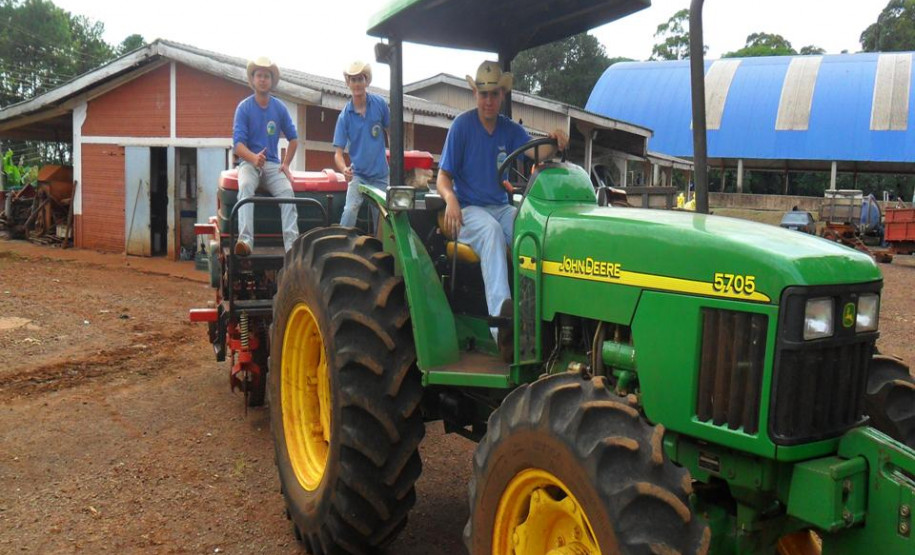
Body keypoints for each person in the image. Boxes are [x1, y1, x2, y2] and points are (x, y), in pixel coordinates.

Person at [436, 60, 568, 358]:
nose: (488, 100)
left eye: (494, 94)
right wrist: (451, 200)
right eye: (483, 94)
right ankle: (504, 331)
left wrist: (556, 141)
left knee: (531, 233)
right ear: (475, 95)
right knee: (493, 233)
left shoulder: (508, 129)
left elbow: (536, 151)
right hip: (468, 210)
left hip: (499, 206)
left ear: (502, 96)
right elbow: (443, 178)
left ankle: (541, 322)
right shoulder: (462, 127)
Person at [232, 56, 299, 255]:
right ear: (252, 80)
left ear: (271, 81)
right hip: (248, 164)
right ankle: (245, 241)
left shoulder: (279, 108)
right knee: (244, 186)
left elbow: (294, 139)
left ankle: (292, 246)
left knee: (288, 192)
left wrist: (286, 164)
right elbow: (237, 145)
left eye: (266, 76)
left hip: (272, 165)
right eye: (259, 75)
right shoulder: (244, 108)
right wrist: (253, 158)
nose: (262, 79)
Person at [334, 61, 390, 228]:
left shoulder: (380, 104)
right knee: (350, 210)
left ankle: (385, 251)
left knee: (384, 218)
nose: (357, 84)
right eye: (353, 80)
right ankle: (342, 244)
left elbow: (391, 131)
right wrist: (344, 169)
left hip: (380, 175)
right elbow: (338, 153)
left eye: (360, 79)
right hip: (359, 175)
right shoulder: (344, 117)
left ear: (366, 81)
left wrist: (394, 158)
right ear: (348, 83)